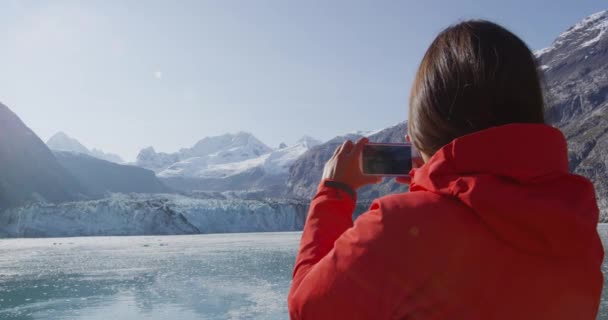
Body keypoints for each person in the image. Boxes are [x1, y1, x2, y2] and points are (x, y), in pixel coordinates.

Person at [287, 20, 604, 320]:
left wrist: (333, 193)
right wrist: (432, 181)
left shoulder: (398, 228)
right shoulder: (577, 228)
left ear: (423, 129)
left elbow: (308, 309)